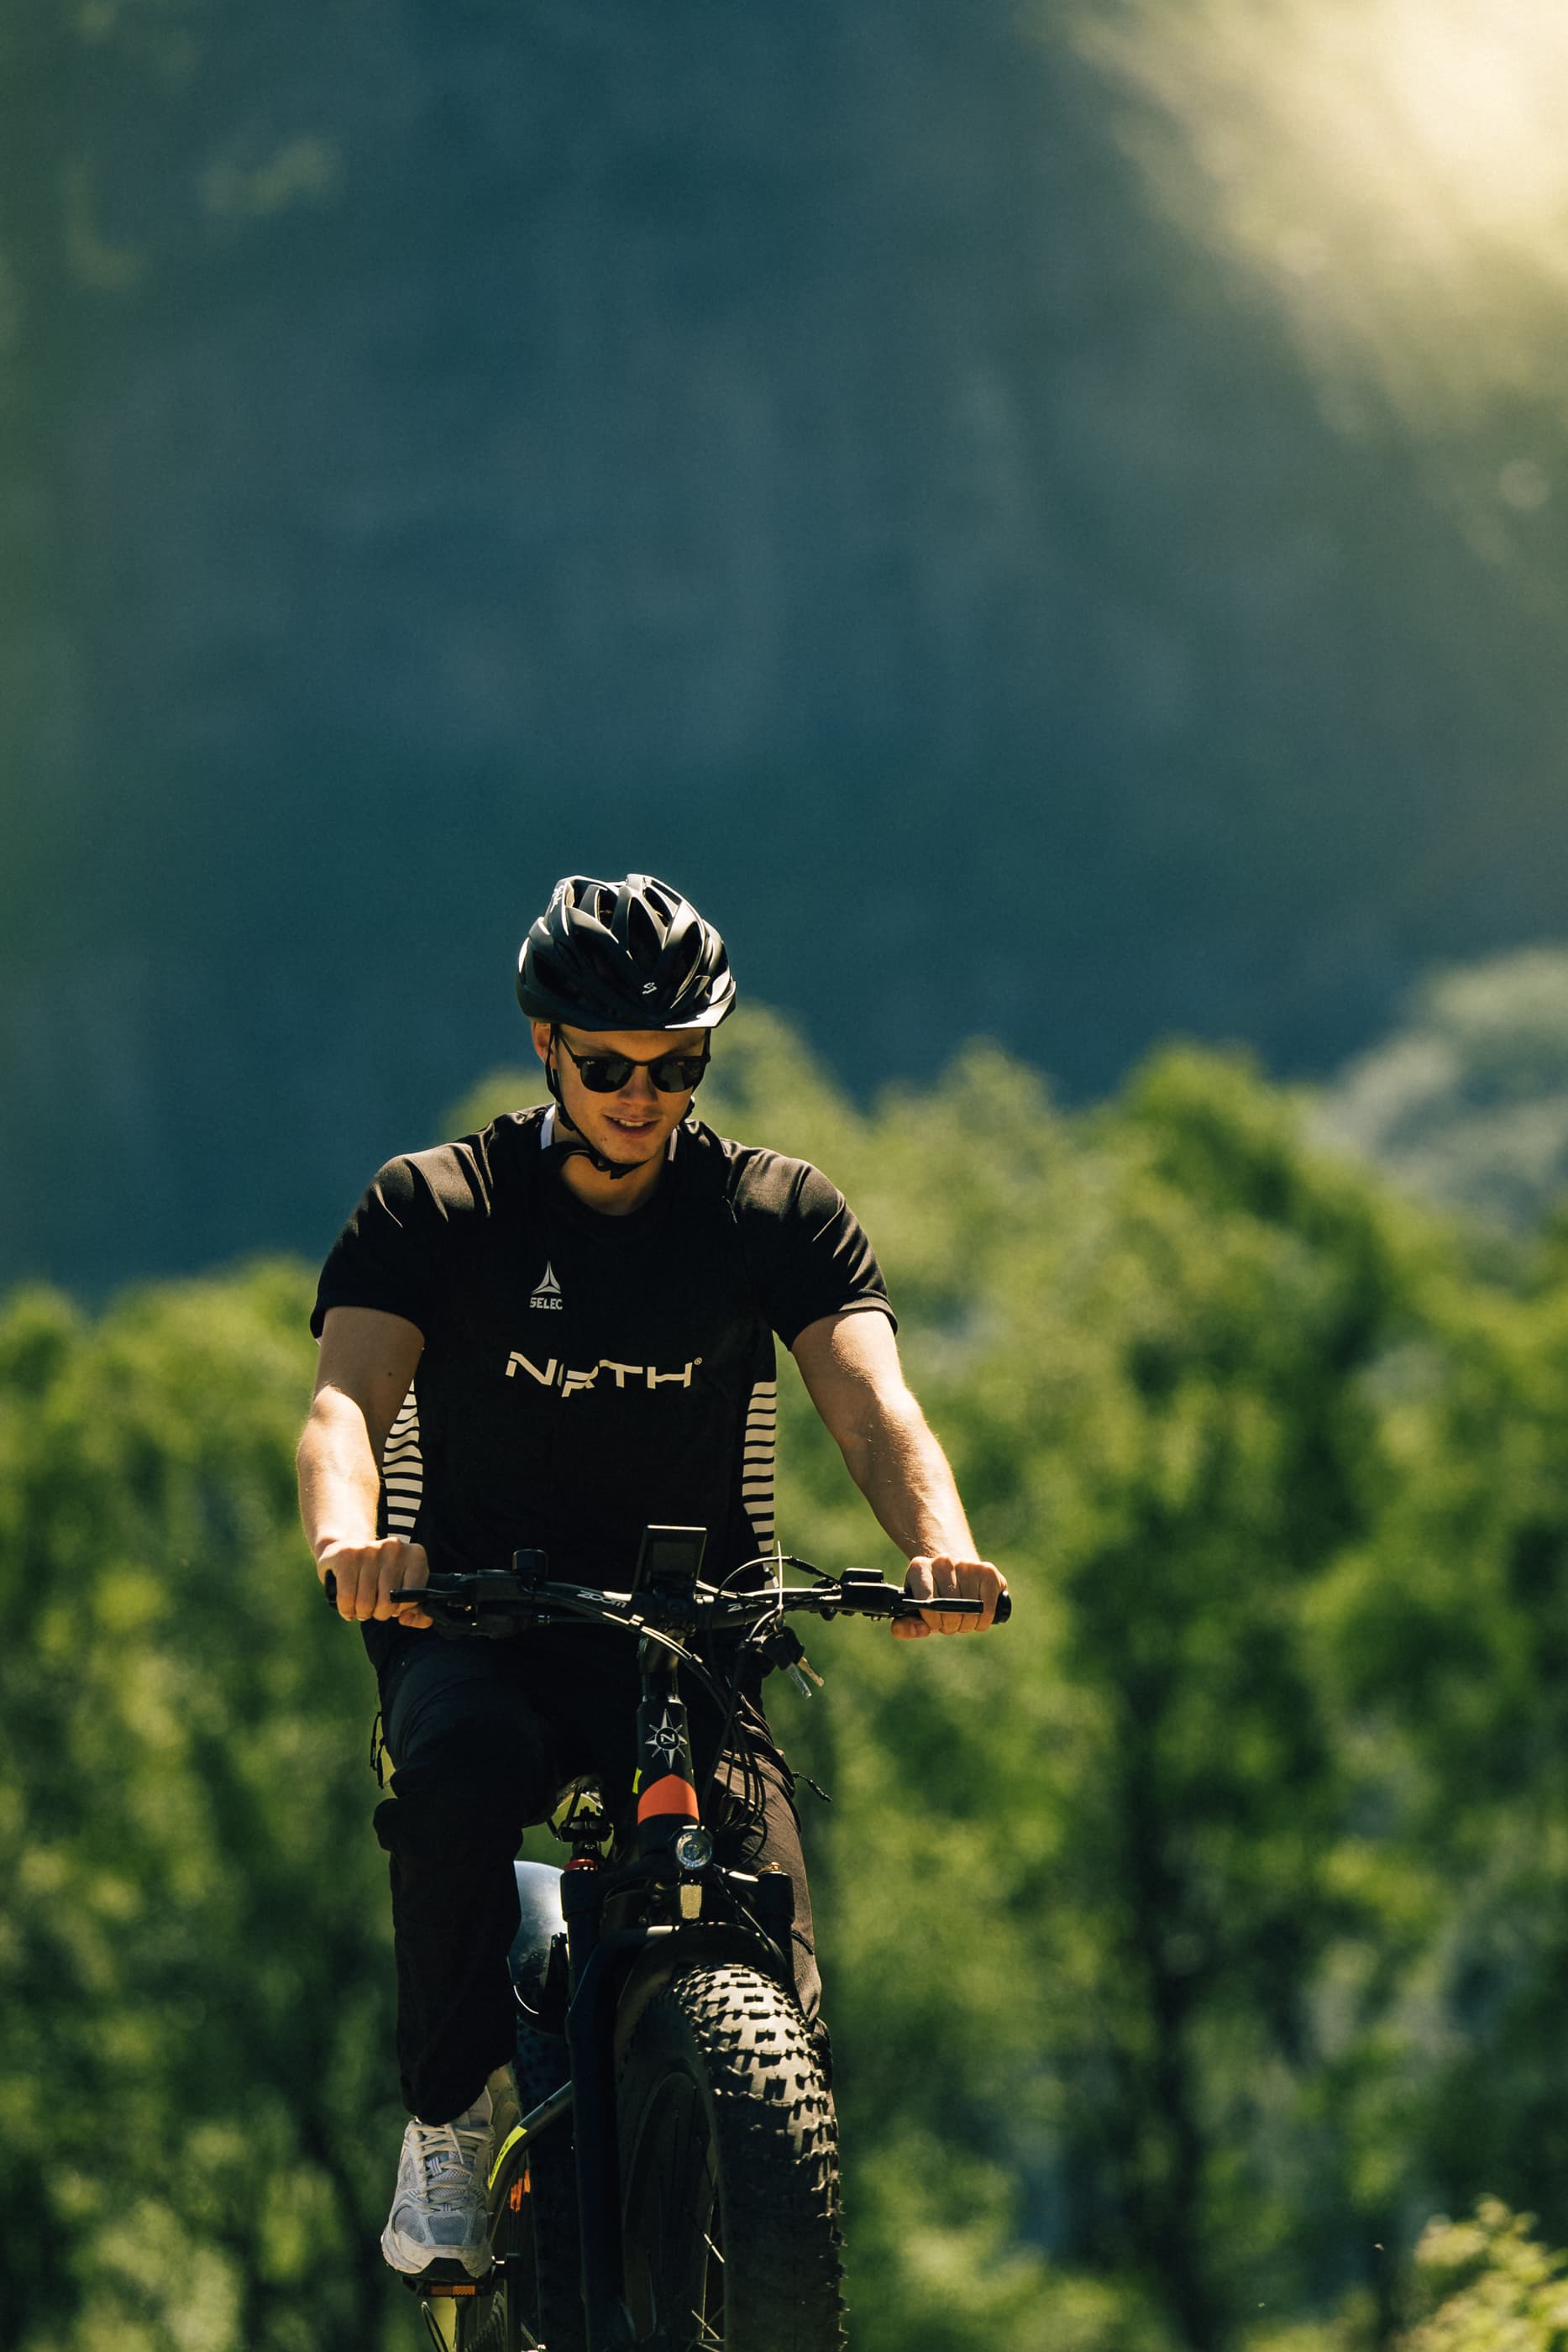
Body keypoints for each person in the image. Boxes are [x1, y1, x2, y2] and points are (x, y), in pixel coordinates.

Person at [295, 871, 1006, 2281]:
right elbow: (344, 1412)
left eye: (677, 1064)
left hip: (691, 1640)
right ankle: (449, 2119)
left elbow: (873, 1407)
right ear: (550, 1048)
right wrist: (349, 1546)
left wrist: (941, 1543)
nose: (642, 1092)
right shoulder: (435, 1208)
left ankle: (756, 2212)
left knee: (774, 1934)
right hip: (477, 1623)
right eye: (612, 1063)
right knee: (454, 1782)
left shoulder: (775, 1213)